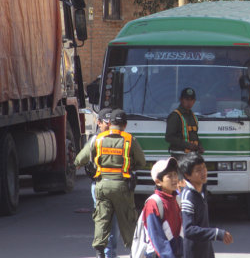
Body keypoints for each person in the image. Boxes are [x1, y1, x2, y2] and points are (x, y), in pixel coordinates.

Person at [91, 109, 146, 258]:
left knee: (102, 219)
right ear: (125, 125)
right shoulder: (129, 140)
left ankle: (99, 251)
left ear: (110, 123)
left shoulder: (98, 139)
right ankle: (134, 251)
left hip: (102, 185)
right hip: (122, 186)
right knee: (128, 219)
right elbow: (142, 162)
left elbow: (83, 158)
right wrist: (130, 166)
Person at [74, 108, 119, 258]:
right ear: (99, 123)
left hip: (117, 186)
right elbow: (80, 160)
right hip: (99, 185)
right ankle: (105, 253)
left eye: (111, 122)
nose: (109, 125)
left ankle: (109, 252)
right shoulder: (95, 140)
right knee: (105, 221)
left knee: (112, 225)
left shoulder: (123, 139)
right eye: (106, 123)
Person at [179, 152, 233, 258]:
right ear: (187, 175)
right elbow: (188, 230)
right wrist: (216, 233)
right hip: (193, 253)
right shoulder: (188, 197)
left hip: (206, 249)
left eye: (204, 168)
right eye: (198, 170)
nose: (203, 172)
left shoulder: (202, 189)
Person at [140, 157, 183, 258]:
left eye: (175, 174)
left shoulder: (176, 199)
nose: (174, 179)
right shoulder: (153, 203)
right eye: (169, 176)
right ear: (158, 182)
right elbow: (157, 238)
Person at [165, 88, 203, 158]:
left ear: (194, 101)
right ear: (181, 100)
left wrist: (199, 146)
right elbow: (169, 137)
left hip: (192, 155)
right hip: (179, 155)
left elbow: (194, 135)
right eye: (186, 99)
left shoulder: (193, 116)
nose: (189, 102)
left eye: (191, 100)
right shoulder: (175, 116)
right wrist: (187, 145)